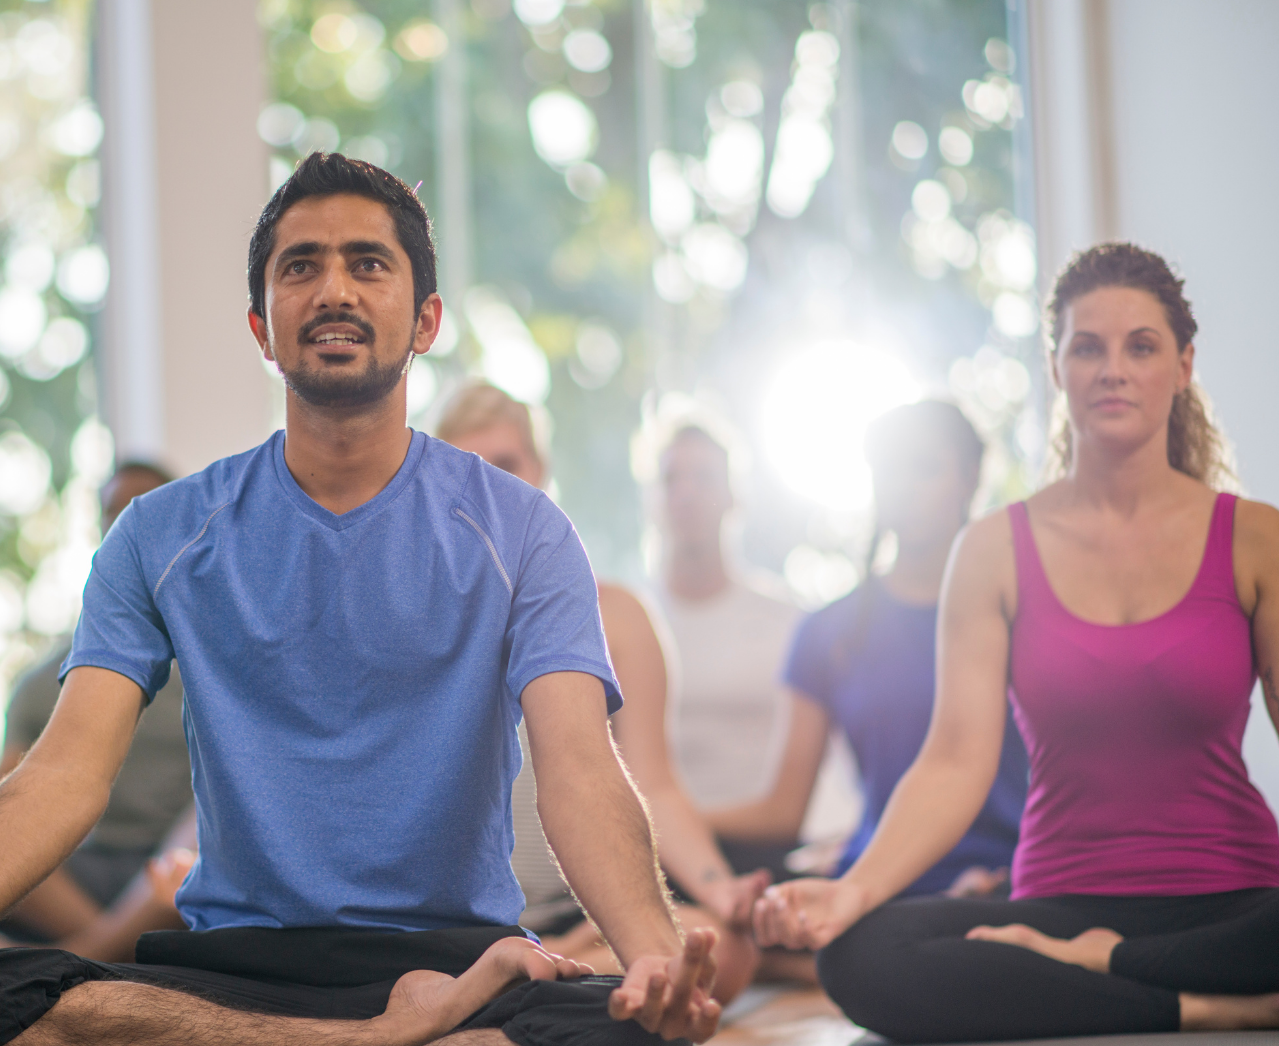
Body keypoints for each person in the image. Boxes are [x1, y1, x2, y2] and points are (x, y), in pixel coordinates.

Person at [0, 152, 725, 1046]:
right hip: (238, 961)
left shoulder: (523, 531)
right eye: (301, 268)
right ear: (261, 324)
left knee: (617, 1024)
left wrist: (654, 963)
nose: (335, 290)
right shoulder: (161, 534)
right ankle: (386, 1041)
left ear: (425, 319)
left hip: (451, 957)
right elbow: (65, 773)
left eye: (369, 264)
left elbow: (580, 771)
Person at [754, 243, 1279, 1040]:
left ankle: (1104, 970)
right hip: (1053, 910)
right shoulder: (991, 551)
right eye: (1088, 346)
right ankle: (1191, 1002)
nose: (1113, 367)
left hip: (1232, 903)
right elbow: (952, 762)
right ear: (1056, 369)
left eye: (1140, 346)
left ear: (1183, 366)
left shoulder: (1256, 539)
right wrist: (853, 890)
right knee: (862, 952)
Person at [436, 382, 766, 1002]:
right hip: (453, 922)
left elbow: (654, 784)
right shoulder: (415, 617)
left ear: (542, 473)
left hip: (575, 921)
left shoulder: (616, 614)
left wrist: (719, 886)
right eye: (467, 469)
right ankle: (521, 981)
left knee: (715, 945)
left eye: (507, 465)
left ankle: (535, 975)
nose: (491, 487)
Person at [711, 401, 1029, 900]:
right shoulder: (827, 630)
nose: (906, 486)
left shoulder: (1022, 613)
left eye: (924, 468)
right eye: (890, 469)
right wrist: (659, 818)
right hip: (880, 886)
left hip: (1010, 879)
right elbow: (783, 811)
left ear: (969, 478)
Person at [0, 460, 193, 959]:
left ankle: (81, 959)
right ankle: (105, 949)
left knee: (211, 822)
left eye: (146, 512)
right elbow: (16, 789)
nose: (127, 525)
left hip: (167, 872)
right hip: (65, 869)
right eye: (114, 514)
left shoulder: (215, 665)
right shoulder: (44, 680)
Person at [648, 424, 857, 880]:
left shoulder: (787, 622)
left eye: (703, 477)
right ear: (653, 499)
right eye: (671, 479)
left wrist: (679, 825)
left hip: (763, 854)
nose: (686, 493)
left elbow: (798, 805)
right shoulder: (624, 623)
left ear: (733, 496)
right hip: (652, 855)